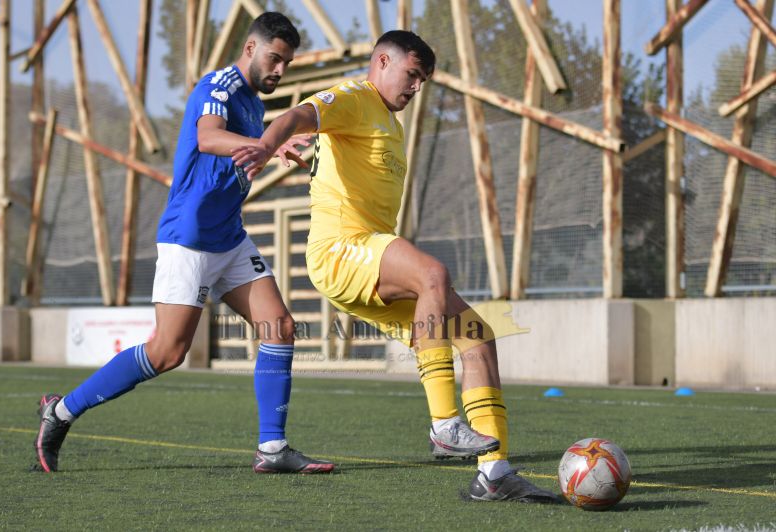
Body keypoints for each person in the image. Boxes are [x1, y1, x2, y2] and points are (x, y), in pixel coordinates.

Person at [231, 30, 559, 502]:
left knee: (477, 336)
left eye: (422, 80)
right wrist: (266, 144)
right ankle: (445, 426)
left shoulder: (388, 121)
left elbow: (312, 133)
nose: (415, 87)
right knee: (433, 275)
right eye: (411, 74)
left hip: (369, 256)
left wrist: (287, 144)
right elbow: (300, 114)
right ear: (381, 61)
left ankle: (494, 474)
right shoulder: (354, 95)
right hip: (341, 250)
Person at [33, 12, 333, 476]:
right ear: (250, 48)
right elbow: (209, 137)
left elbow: (244, 146)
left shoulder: (253, 104)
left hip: (229, 236)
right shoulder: (219, 86)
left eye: (287, 64)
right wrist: (268, 146)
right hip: (189, 238)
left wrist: (273, 145)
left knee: (280, 327)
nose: (279, 70)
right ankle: (62, 411)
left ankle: (272, 449)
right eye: (275, 59)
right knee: (168, 353)